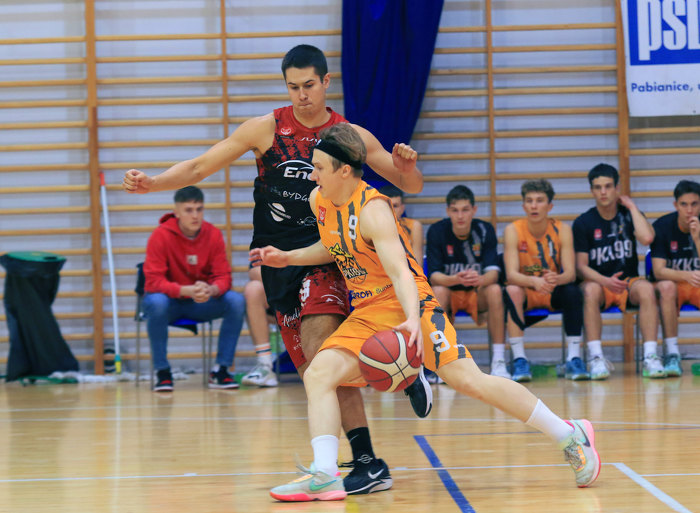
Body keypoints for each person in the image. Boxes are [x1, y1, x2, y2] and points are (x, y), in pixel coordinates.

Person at [122, 44, 432, 494]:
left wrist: (407, 169)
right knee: (313, 374)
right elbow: (200, 166)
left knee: (323, 354)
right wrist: (154, 183)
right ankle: (370, 450)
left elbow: (409, 183)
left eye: (309, 85)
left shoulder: (348, 137)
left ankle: (345, 461)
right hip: (278, 263)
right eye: (293, 87)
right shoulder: (266, 129)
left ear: (326, 83)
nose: (302, 95)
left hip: (325, 259)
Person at [254, 124, 600, 502]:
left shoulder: (373, 211)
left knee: (469, 381)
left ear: (344, 171)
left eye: (319, 167)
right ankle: (324, 473)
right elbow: (335, 245)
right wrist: (289, 257)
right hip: (368, 307)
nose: (312, 175)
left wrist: (410, 320)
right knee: (319, 373)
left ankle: (569, 434)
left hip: (409, 301)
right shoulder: (318, 199)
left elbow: (401, 272)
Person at [143, 186, 246, 391]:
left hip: (201, 302)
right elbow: (153, 282)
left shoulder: (213, 234)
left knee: (236, 300)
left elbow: (224, 276)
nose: (195, 215)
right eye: (189, 210)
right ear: (177, 212)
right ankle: (162, 372)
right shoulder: (160, 235)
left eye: (199, 209)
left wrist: (211, 290)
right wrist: (185, 290)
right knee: (156, 301)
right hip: (170, 303)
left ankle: (221, 370)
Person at [573, 163, 665, 379]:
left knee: (647, 289)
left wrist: (632, 207)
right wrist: (605, 281)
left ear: (616, 188)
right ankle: (596, 358)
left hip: (628, 282)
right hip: (598, 282)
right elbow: (581, 267)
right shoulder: (583, 222)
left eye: (608, 186)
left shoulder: (629, 215)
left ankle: (650, 356)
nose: (603, 192)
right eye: (598, 187)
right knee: (590, 290)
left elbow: (647, 238)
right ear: (592, 191)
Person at [503, 180, 587, 382]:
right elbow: (511, 275)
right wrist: (534, 281)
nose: (534, 206)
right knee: (512, 290)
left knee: (573, 291)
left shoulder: (562, 229)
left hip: (551, 288)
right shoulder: (513, 230)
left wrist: (556, 278)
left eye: (539, 201)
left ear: (550, 206)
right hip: (526, 288)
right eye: (529, 201)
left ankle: (573, 357)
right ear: (523, 205)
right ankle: (519, 359)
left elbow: (570, 274)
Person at [425, 185, 508, 378]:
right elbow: (434, 276)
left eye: (465, 210)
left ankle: (499, 361)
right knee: (438, 291)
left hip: (476, 293)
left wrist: (480, 279)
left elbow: (493, 273)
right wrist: (455, 279)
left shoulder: (484, 230)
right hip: (449, 291)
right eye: (455, 210)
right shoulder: (437, 231)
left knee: (495, 290)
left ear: (474, 210)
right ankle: (440, 362)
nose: (460, 216)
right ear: (448, 211)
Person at [649, 179, 700, 377]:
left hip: (696, 286)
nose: (689, 210)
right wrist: (686, 275)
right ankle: (672, 353)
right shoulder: (663, 226)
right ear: (675, 205)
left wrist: (697, 239)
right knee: (666, 287)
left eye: (694, 204)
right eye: (684, 204)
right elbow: (658, 271)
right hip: (674, 285)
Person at [240, 265, 278, 387]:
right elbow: (254, 271)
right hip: (280, 294)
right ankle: (265, 365)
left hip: (307, 291)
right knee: (253, 289)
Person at [378, 184, 423, 255]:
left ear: (402, 208)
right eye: (387, 205)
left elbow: (417, 260)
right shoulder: (368, 228)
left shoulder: (413, 226)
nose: (391, 209)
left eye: (395, 206)